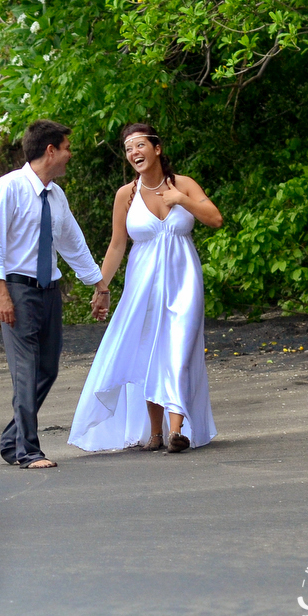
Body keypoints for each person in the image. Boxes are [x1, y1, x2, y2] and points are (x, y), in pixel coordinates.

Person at [68, 123, 223, 454]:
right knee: (150, 352)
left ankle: (176, 430)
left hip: (184, 281)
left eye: (140, 145)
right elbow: (116, 245)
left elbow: (215, 218)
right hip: (143, 284)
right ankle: (155, 432)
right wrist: (102, 286)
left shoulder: (183, 185)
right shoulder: (126, 195)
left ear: (157, 148)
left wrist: (182, 199)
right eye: (128, 149)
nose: (134, 153)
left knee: (179, 349)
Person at [0, 119, 106, 469]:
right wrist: (0, 293)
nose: (70, 154)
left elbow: (71, 242)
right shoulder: (9, 188)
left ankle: (11, 440)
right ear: (50, 151)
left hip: (49, 290)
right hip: (17, 289)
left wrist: (97, 283)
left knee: (47, 368)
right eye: (67, 148)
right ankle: (29, 451)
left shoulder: (56, 195)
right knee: (26, 369)